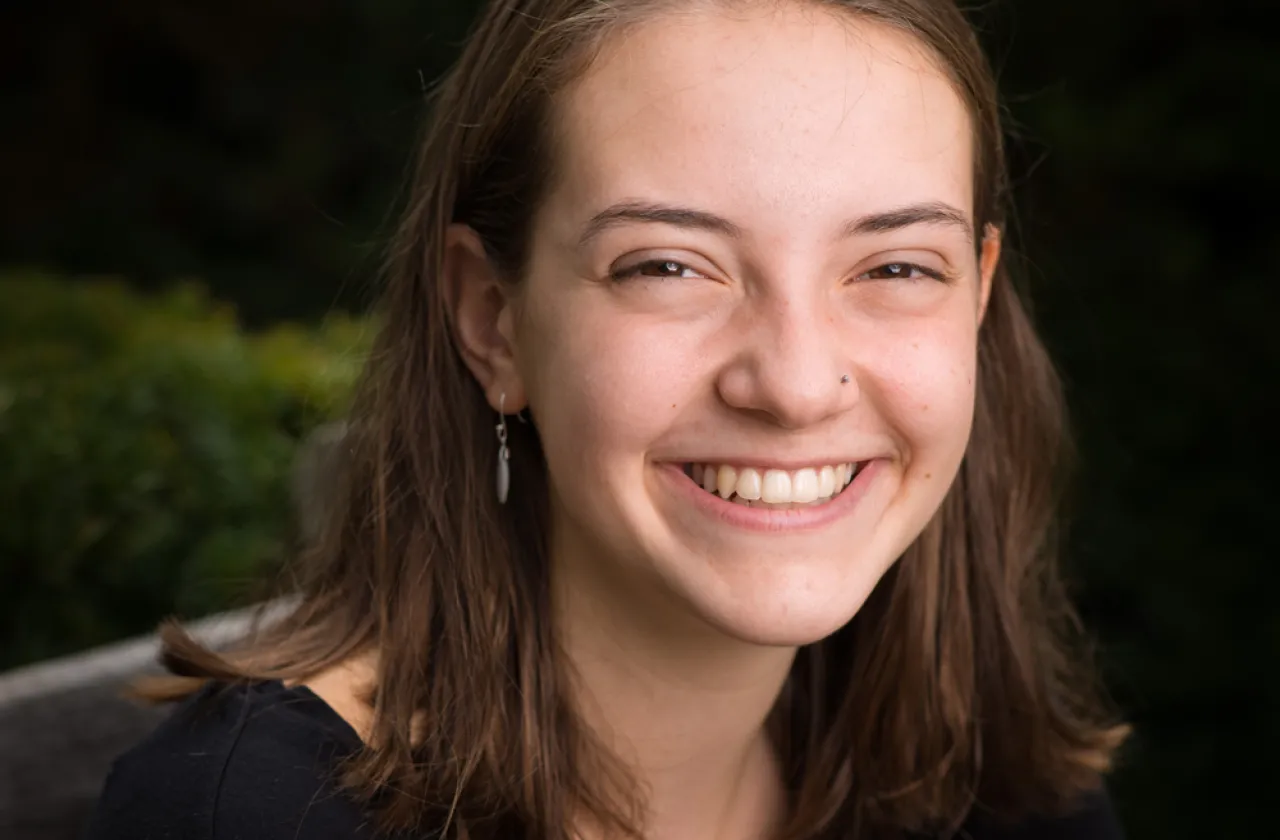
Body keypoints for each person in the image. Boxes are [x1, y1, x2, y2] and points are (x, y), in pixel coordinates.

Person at [84, 0, 1130, 838]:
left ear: (977, 300)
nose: (797, 385)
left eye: (896, 267)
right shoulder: (250, 818)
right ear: (492, 321)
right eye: (668, 266)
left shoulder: (995, 791)